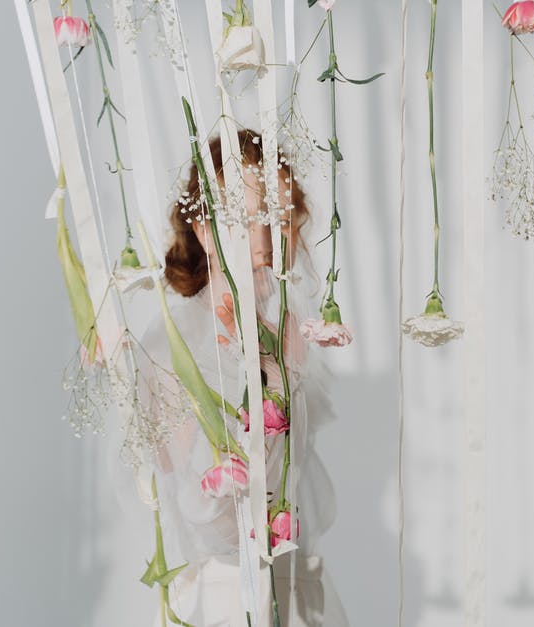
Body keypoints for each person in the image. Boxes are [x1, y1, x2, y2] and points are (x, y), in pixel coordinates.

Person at [137, 129, 348, 627]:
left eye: (276, 217)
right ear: (206, 231)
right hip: (225, 597)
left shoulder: (290, 336)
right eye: (246, 218)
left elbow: (302, 484)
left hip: (294, 589)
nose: (263, 239)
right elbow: (185, 500)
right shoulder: (174, 347)